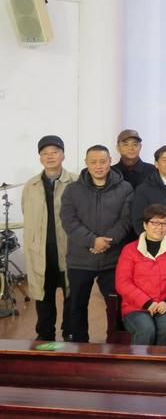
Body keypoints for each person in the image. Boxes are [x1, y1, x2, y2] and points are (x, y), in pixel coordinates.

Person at [61, 145, 133, 342]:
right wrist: (92, 240)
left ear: (110, 161)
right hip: (80, 258)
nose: (98, 166)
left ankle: (115, 343)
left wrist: (105, 242)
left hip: (112, 259)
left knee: (115, 304)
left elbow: (125, 220)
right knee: (76, 304)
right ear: (86, 163)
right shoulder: (72, 190)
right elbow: (69, 221)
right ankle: (77, 344)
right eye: (93, 162)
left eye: (103, 161)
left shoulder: (125, 188)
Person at [22, 135, 77, 341]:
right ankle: (45, 337)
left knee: (72, 296)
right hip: (41, 252)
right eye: (45, 153)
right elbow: (28, 216)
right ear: (40, 158)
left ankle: (70, 334)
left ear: (63, 155)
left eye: (54, 152)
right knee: (43, 298)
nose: (50, 156)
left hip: (69, 250)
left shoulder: (76, 181)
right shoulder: (31, 185)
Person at [114, 204, 166, 345]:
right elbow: (122, 283)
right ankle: (140, 367)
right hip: (135, 307)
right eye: (154, 223)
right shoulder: (130, 250)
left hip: (165, 306)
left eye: (164, 223)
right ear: (145, 225)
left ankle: (161, 367)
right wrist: (147, 303)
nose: (159, 227)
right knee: (146, 329)